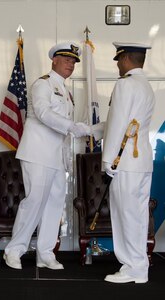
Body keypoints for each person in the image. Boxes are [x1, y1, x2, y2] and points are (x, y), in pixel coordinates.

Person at [4, 42, 91, 270]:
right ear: (54, 60)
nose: (70, 65)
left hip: (56, 157)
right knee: (33, 202)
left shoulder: (65, 90)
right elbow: (43, 113)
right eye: (66, 60)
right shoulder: (42, 84)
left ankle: (45, 252)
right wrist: (72, 126)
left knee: (54, 204)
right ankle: (14, 250)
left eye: (73, 62)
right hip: (37, 152)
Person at [96, 42, 155, 283]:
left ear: (127, 59)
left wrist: (107, 160)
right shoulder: (146, 86)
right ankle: (140, 267)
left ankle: (132, 266)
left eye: (119, 60)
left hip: (125, 163)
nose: (118, 65)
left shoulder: (125, 84)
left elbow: (119, 124)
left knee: (125, 215)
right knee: (138, 216)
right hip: (142, 162)